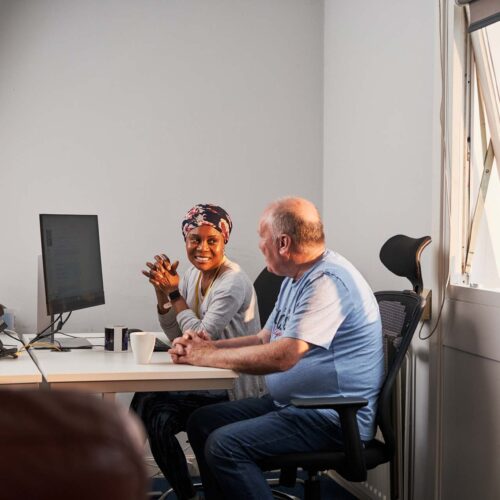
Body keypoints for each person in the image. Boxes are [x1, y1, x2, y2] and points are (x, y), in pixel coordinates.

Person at [169, 197, 385, 500]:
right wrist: (206, 345)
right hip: (293, 405)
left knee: (224, 446)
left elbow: (285, 356)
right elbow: (263, 339)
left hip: (328, 419)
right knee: (201, 422)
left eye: (262, 236)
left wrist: (205, 356)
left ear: (283, 242)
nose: (259, 245)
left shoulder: (328, 282)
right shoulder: (296, 276)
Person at [130, 203, 265, 500]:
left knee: (150, 402)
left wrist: (175, 294)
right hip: (207, 376)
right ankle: (185, 494)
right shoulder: (192, 274)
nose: (202, 247)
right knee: (155, 414)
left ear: (224, 241)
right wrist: (162, 295)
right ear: (185, 240)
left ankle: (120, 476)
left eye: (211, 240)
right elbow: (177, 333)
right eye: (195, 240)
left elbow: (200, 336)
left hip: (235, 386)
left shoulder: (232, 282)